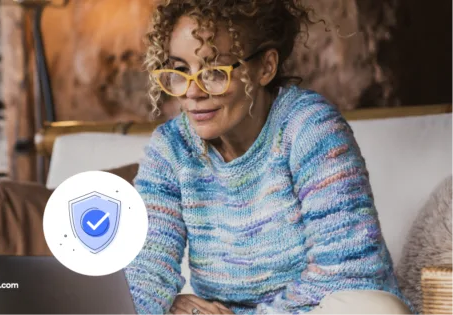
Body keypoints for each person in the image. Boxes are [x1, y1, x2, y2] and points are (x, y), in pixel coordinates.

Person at [123, 1, 414, 315]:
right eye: (180, 70)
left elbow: (349, 271)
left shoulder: (309, 127)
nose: (192, 92)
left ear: (265, 67)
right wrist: (162, 307)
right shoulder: (171, 148)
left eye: (214, 70)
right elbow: (146, 270)